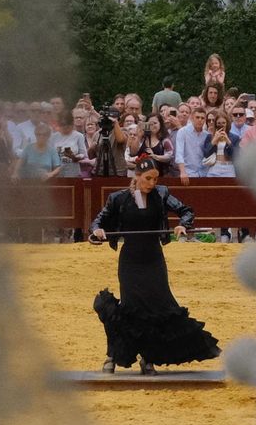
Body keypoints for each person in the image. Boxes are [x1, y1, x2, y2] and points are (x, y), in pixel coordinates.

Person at [89, 159, 221, 374]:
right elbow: (97, 222)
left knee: (156, 307)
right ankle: (113, 355)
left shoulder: (161, 193)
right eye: (148, 178)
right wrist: (97, 231)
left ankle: (148, 357)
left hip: (154, 260)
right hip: (130, 261)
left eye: (155, 179)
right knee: (131, 308)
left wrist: (182, 225)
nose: (152, 183)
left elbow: (186, 211)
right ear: (137, 176)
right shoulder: (118, 198)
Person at [174, 106, 211, 179]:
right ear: (192, 118)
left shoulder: (207, 135)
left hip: (204, 173)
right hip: (188, 173)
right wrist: (183, 172)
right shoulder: (182, 132)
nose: (200, 120)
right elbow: (179, 154)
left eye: (202, 118)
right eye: (197, 117)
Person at [49, 110, 89, 177]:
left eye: (67, 125)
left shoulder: (79, 136)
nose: (65, 127)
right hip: (57, 172)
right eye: (63, 125)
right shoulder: (53, 137)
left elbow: (84, 154)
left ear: (72, 124)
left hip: (73, 171)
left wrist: (74, 157)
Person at [144, 113, 176, 177]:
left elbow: (170, 156)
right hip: (143, 175)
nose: (152, 125)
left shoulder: (165, 140)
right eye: (150, 124)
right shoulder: (142, 138)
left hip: (161, 175)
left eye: (155, 123)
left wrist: (155, 156)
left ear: (160, 124)